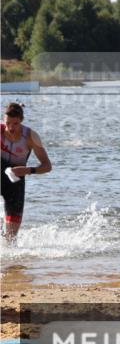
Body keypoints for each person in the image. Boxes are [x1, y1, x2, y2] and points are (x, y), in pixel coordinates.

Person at [1, 103, 52, 241]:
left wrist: (28, 170)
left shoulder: (31, 137)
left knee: (11, 238)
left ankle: (11, 260)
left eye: (15, 124)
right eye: (7, 123)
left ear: (21, 120)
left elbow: (47, 166)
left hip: (16, 181)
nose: (11, 128)